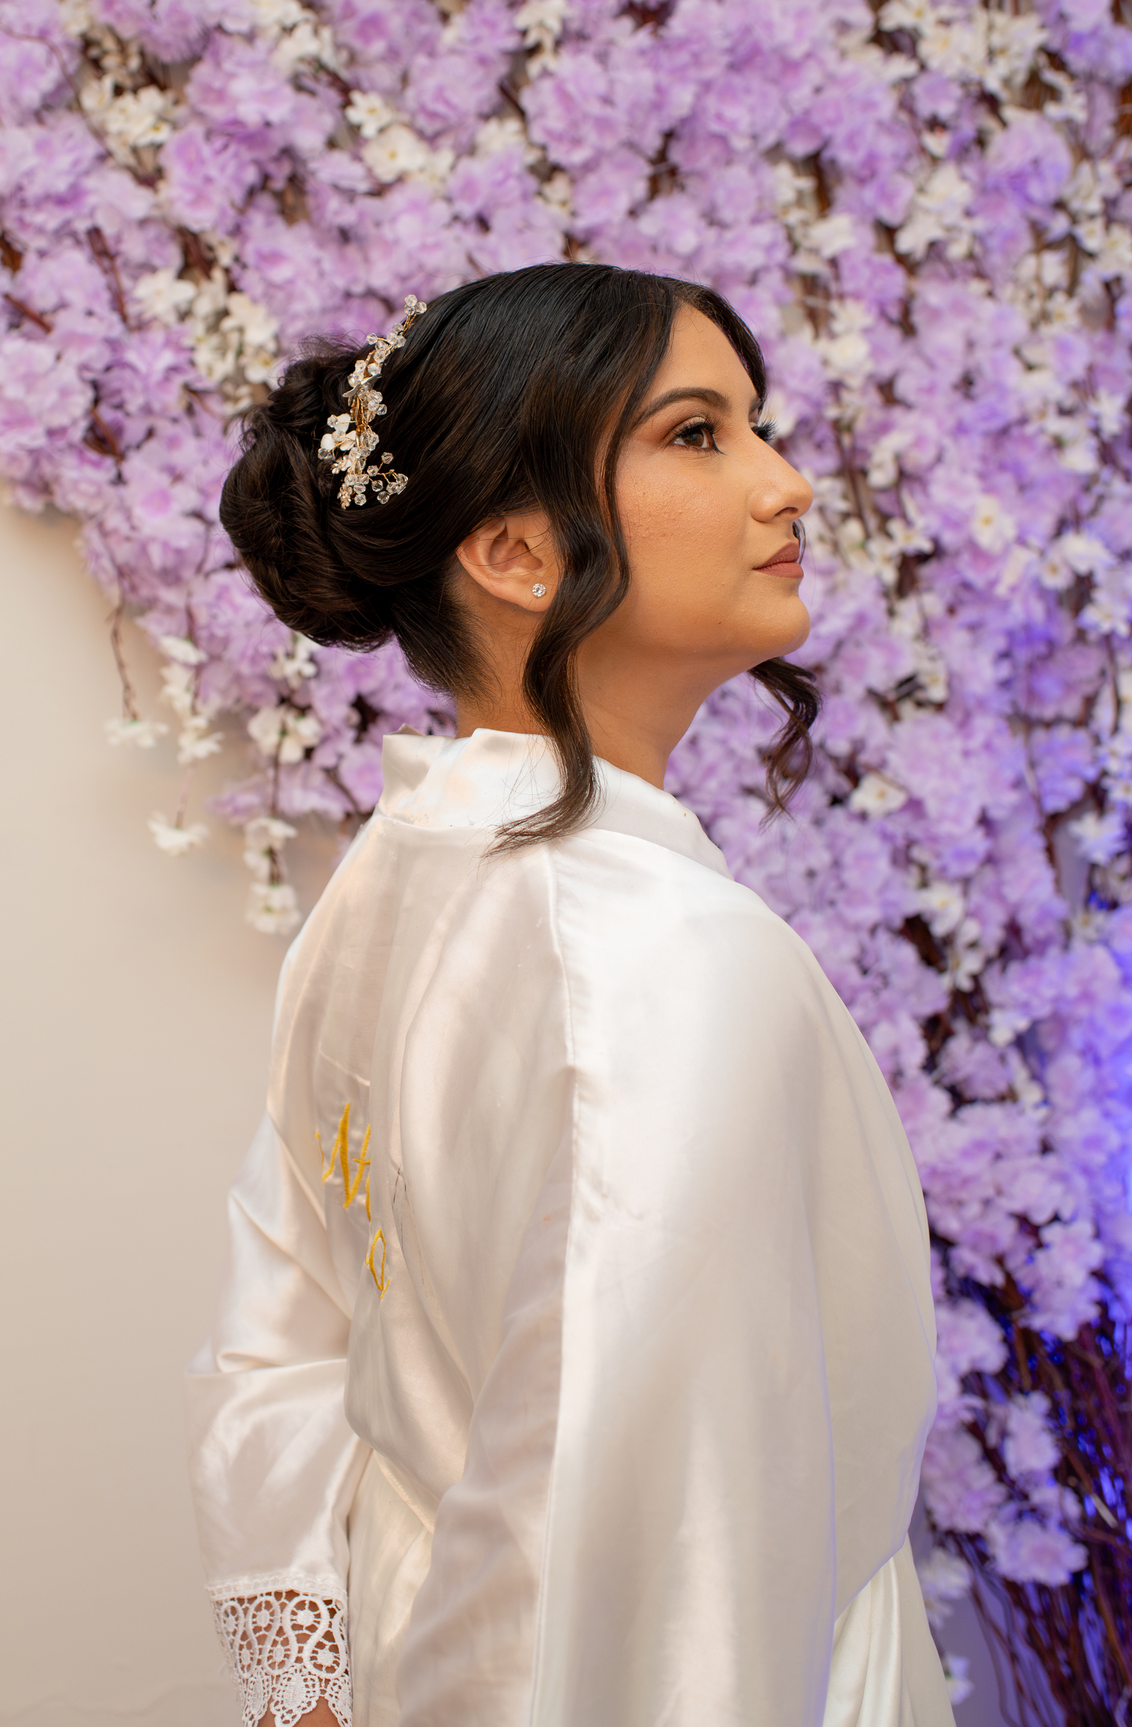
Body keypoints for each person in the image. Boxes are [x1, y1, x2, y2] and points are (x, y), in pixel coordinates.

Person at [187, 262, 952, 1727]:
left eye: (756, 425)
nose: (788, 484)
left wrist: (310, 1689)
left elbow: (273, 1331)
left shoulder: (392, 876)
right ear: (517, 552)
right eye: (696, 434)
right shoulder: (667, 964)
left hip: (414, 1650)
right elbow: (648, 1590)